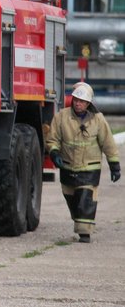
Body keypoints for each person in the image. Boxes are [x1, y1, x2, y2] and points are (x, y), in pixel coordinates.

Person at [45, 82, 120, 243]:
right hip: (68, 167)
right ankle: (79, 222)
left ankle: (84, 233)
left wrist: (114, 165)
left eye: (82, 101)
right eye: (76, 100)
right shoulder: (61, 117)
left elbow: (108, 142)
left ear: (88, 103)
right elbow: (53, 139)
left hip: (89, 168)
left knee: (86, 199)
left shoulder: (98, 120)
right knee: (72, 199)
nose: (78, 103)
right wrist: (54, 152)